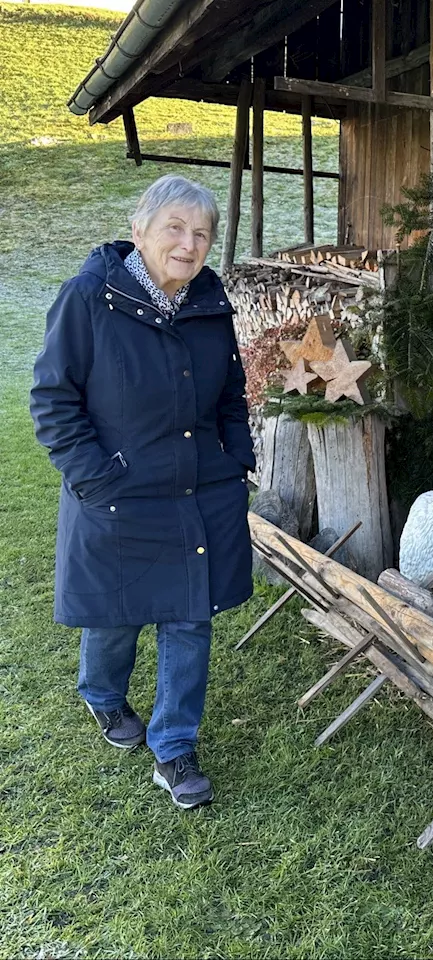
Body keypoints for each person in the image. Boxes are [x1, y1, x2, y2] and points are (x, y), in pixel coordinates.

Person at [30, 174, 254, 810]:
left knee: (190, 618)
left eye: (202, 233)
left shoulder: (211, 305)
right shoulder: (88, 298)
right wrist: (96, 477)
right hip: (120, 493)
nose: (189, 244)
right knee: (117, 614)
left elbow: (231, 395)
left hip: (198, 491)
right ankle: (102, 696)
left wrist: (234, 458)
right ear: (140, 231)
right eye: (175, 229)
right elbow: (53, 399)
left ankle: (174, 745)